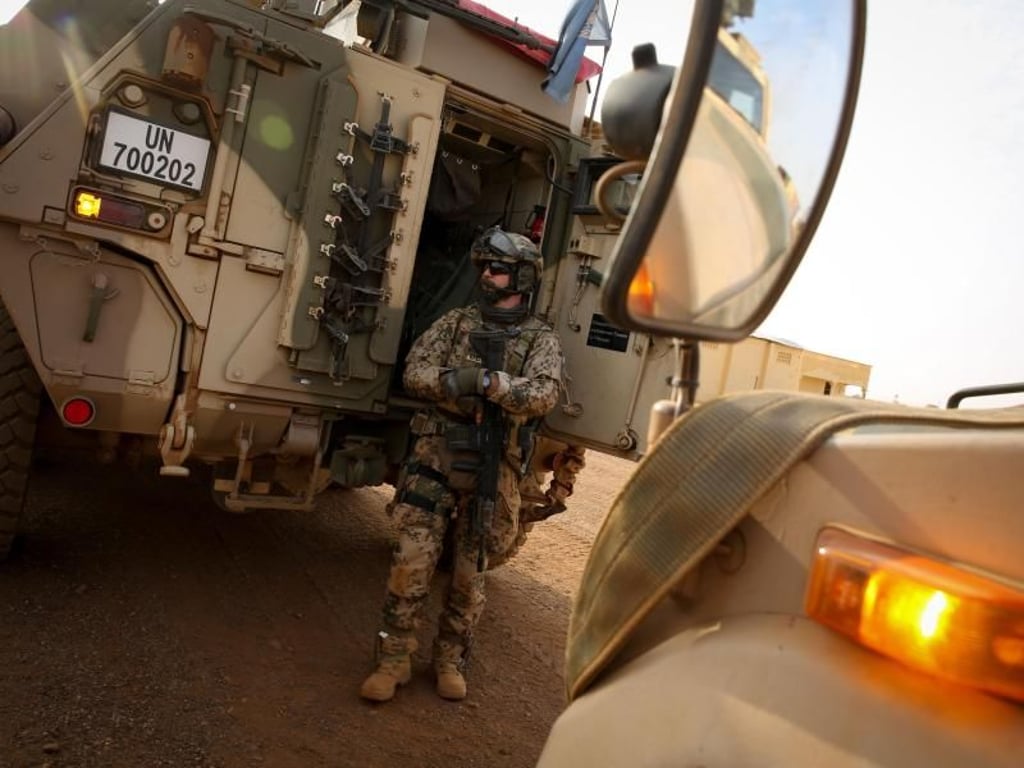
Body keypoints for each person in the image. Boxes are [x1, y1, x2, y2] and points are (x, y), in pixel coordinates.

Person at [360, 226, 564, 703]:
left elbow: (544, 393)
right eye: (485, 268)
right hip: (437, 454)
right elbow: (415, 372)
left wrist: (492, 384)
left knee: (471, 575)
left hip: (494, 462)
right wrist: (456, 381)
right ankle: (392, 662)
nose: (487, 276)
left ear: (520, 277)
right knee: (410, 563)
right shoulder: (455, 322)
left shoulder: (541, 339)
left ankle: (451, 659)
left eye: (496, 269)